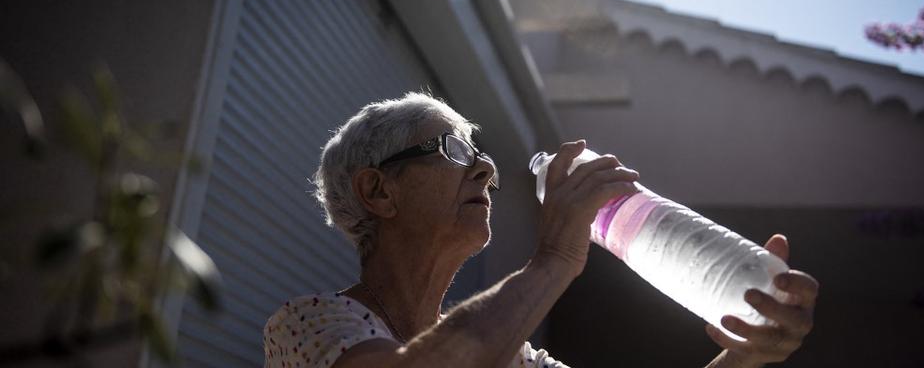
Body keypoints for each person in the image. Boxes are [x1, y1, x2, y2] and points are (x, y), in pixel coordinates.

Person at [263, 92, 819, 367]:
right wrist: (553, 257)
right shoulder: (311, 325)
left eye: (480, 152)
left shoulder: (514, 356)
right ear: (379, 192)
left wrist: (747, 354)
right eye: (453, 150)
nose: (485, 168)